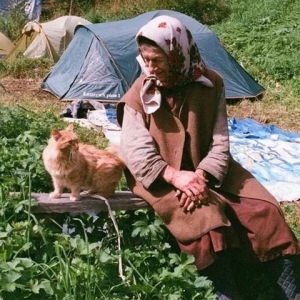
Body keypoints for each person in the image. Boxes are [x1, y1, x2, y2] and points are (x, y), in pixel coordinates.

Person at [116, 15, 300, 300]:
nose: (150, 68)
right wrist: (176, 176)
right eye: (145, 59)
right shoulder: (139, 94)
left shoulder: (211, 83)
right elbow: (135, 151)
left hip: (209, 171)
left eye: (157, 60)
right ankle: (225, 292)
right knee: (206, 221)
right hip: (161, 176)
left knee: (265, 211)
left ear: (177, 53)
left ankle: (288, 291)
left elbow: (220, 141)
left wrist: (201, 176)